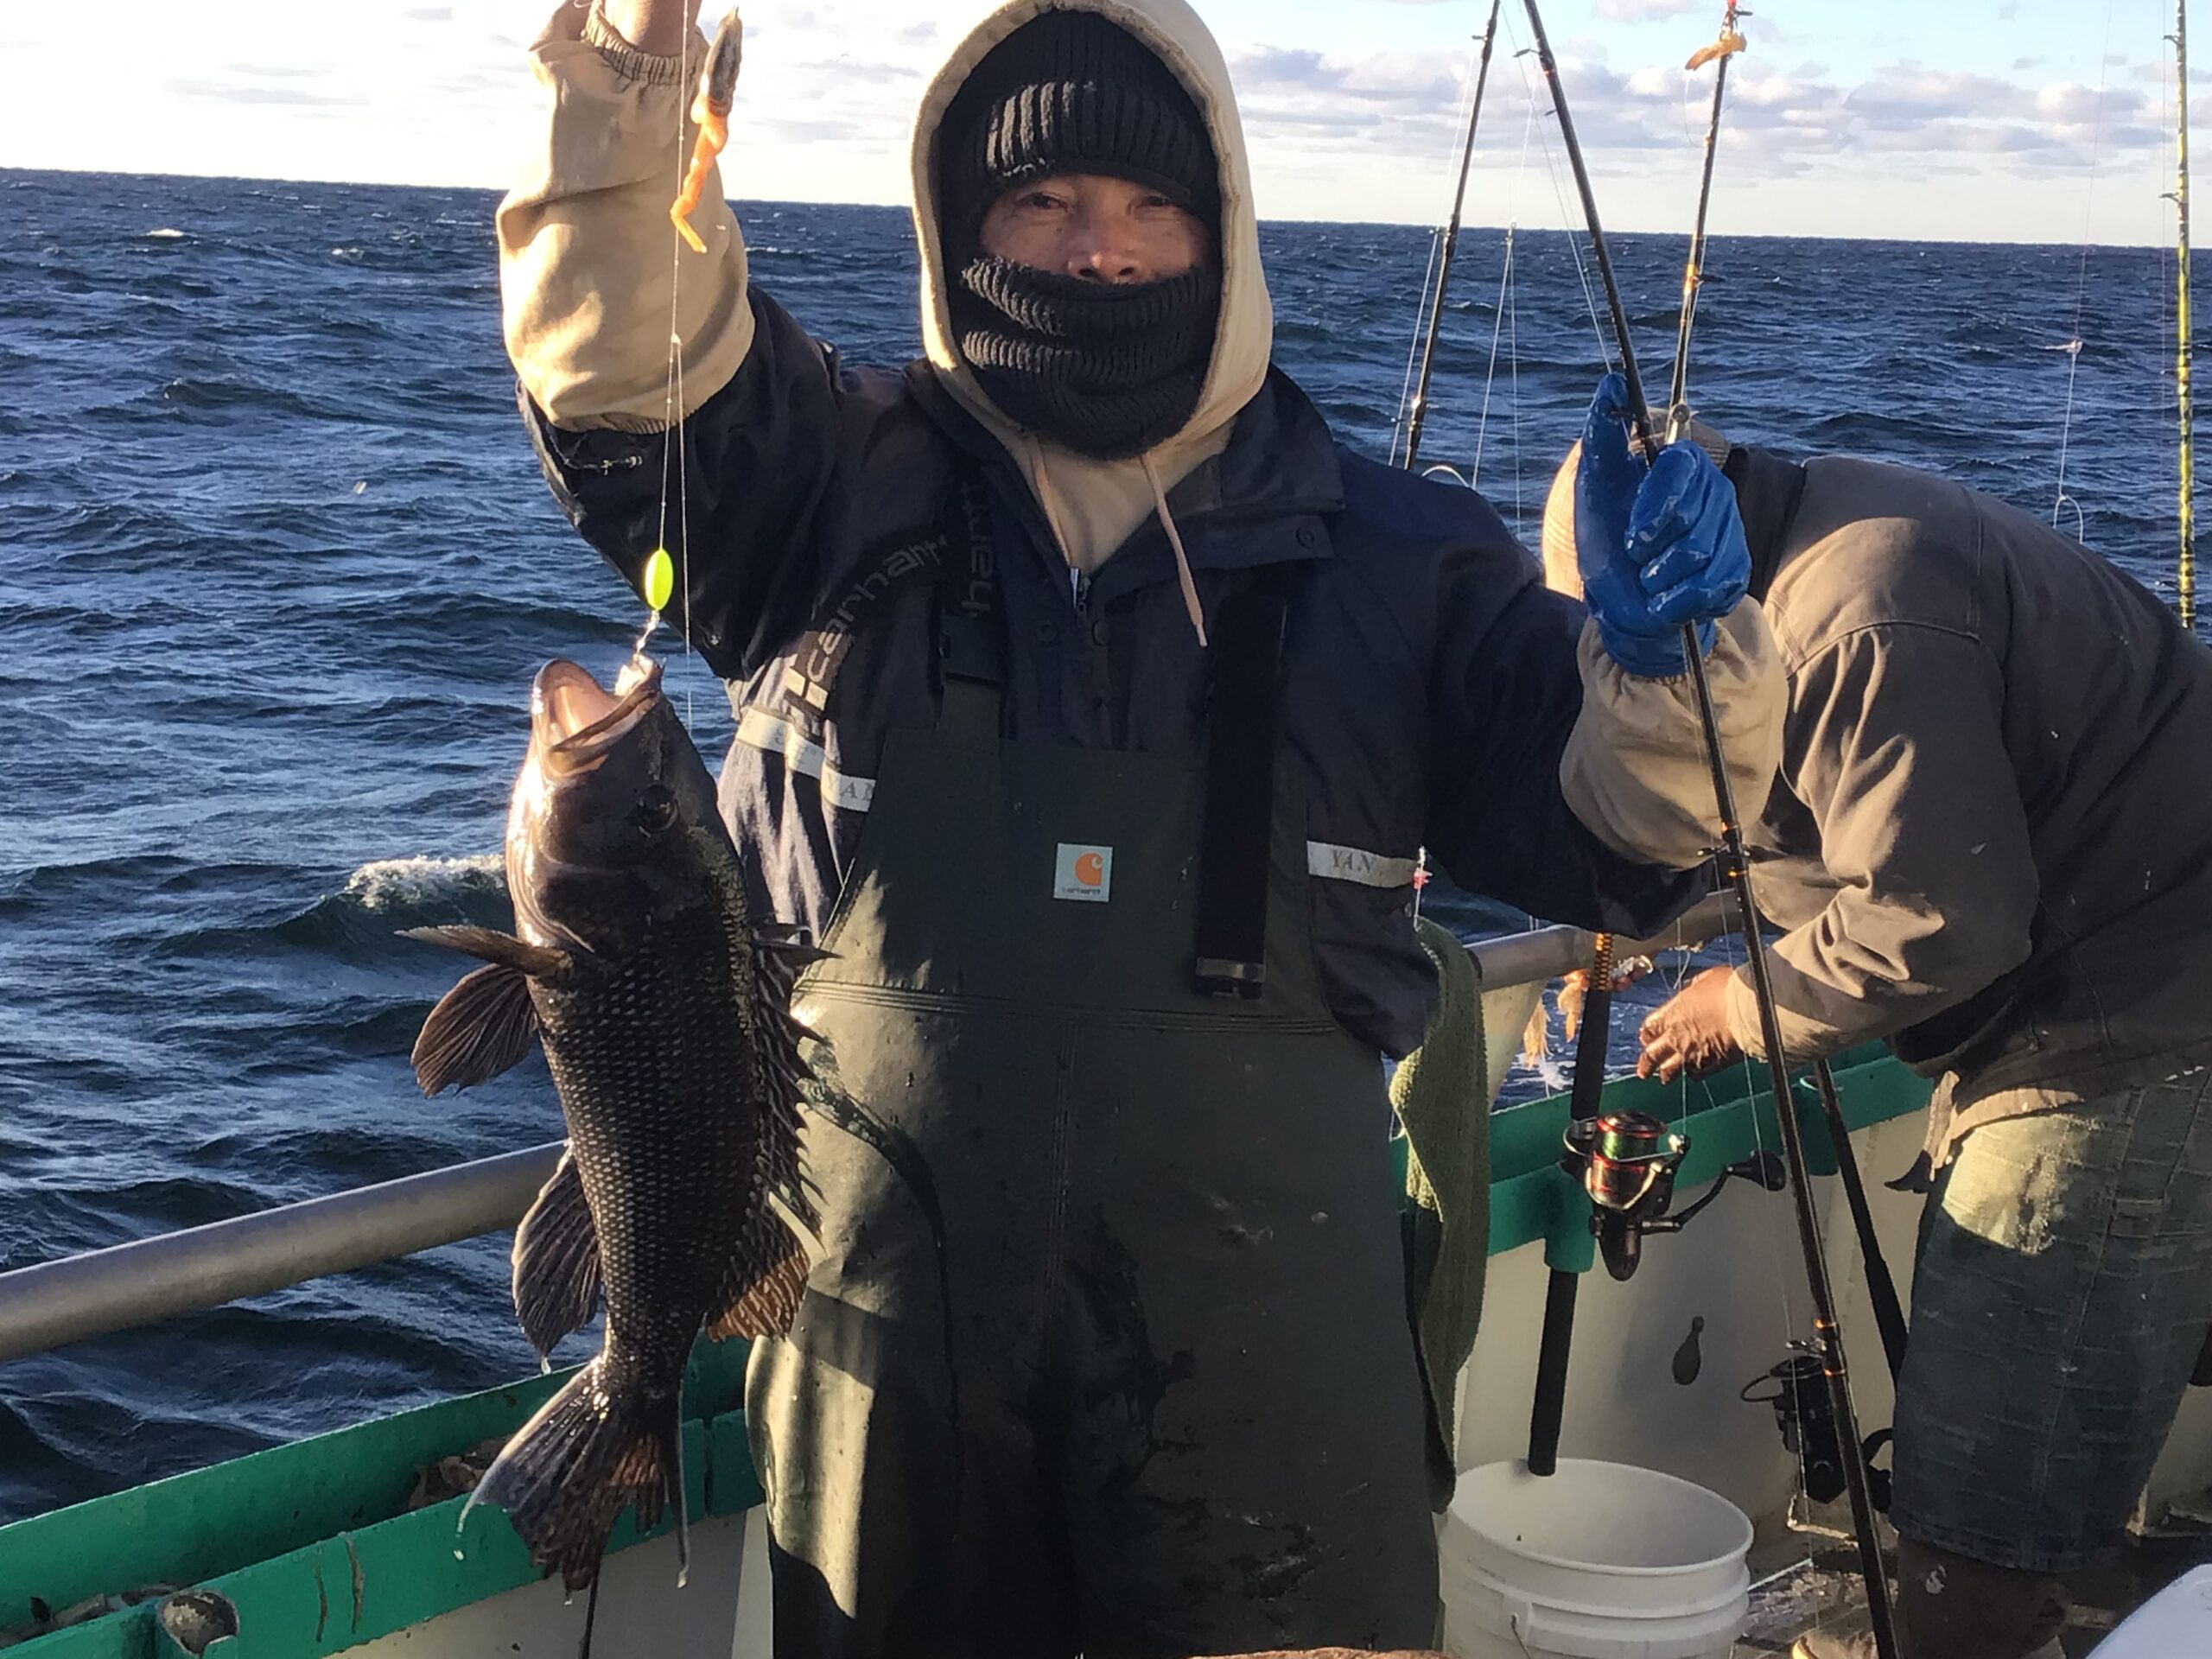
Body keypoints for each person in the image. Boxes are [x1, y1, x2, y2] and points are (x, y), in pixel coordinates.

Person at [498, 0, 1781, 1651]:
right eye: (1042, 202)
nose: (1098, 250)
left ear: (1221, 224)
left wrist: (1681, 669)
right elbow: (628, 374)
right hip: (886, 1362)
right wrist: (628, 96)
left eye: (1148, 205)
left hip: (1269, 1372)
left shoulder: (1406, 563)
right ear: (962, 228)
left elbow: (1638, 842)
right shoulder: (826, 492)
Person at [1541, 423, 2212, 1659]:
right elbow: (1849, 802)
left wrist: (1742, 1003)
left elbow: (1946, 919)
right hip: (2132, 991)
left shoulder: (1852, 623)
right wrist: (1662, 914)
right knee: (2062, 1414)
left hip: (2131, 1030)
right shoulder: (1826, 535)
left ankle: (1967, 1626)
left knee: (1990, 1452)